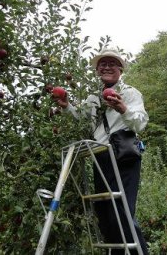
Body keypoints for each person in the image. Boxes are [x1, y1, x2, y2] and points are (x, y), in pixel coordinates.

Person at [53, 49, 149, 254]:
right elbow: (82, 117)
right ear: (97, 70)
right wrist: (66, 105)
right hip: (100, 156)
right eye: (102, 63)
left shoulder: (130, 93)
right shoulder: (94, 98)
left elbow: (140, 124)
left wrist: (123, 108)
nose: (106, 66)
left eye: (112, 63)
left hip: (123, 155)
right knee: (104, 214)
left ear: (120, 69)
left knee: (121, 213)